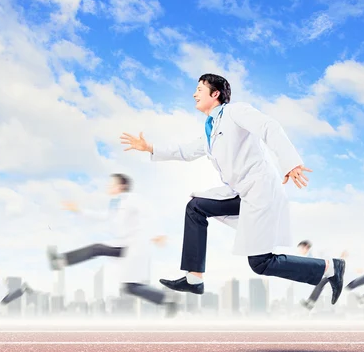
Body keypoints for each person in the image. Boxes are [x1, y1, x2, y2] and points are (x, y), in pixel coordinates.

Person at [120, 73, 346, 304]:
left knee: (261, 263)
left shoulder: (235, 112)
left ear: (215, 93)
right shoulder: (210, 130)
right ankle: (194, 279)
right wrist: (150, 148)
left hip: (260, 191)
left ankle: (329, 267)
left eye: (199, 89)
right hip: (242, 194)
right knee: (196, 207)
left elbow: (268, 126)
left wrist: (291, 162)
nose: (194, 94)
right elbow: (185, 152)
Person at [46, 173, 179, 317]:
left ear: (122, 186)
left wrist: (158, 234)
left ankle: (60, 261)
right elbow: (103, 217)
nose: (109, 186)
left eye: (112, 184)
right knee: (129, 286)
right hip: (125, 245)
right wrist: (79, 210)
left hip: (135, 245)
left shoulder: (133, 199)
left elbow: (149, 213)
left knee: (104, 256)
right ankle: (167, 300)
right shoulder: (117, 204)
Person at [296, 240, 348, 310]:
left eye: (301, 249)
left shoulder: (314, 252)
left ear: (306, 247)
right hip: (332, 268)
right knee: (320, 285)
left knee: (323, 285)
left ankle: (311, 303)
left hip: (334, 268)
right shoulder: (311, 254)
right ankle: (310, 303)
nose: (300, 251)